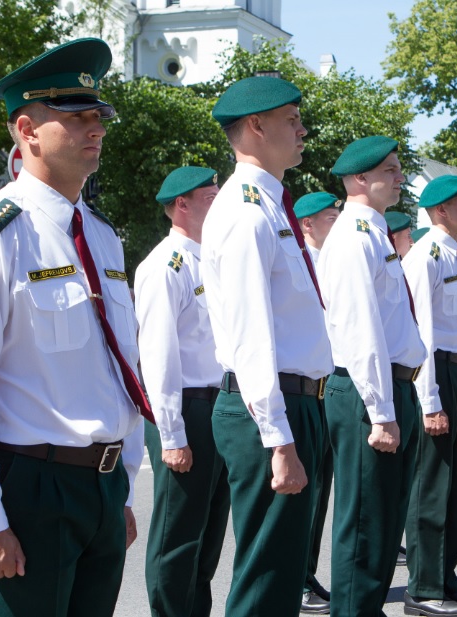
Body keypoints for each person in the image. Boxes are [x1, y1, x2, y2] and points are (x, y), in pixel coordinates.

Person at [0, 38, 148, 617]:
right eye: (75, 117)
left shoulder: (101, 235)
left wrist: (121, 485)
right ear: (27, 130)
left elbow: (116, 366)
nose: (95, 128)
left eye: (98, 115)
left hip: (101, 487)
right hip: (32, 487)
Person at [201, 76, 333, 617]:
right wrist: (279, 439)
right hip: (270, 406)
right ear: (255, 126)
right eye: (291, 120)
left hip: (295, 401)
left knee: (281, 576)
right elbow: (250, 334)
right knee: (265, 579)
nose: (302, 131)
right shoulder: (246, 210)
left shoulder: (271, 205)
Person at [319, 135, 427, 616]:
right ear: (360, 179)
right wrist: (381, 412)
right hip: (369, 394)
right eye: (390, 170)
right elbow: (359, 329)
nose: (400, 177)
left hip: (391, 387)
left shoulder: (374, 233)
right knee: (365, 524)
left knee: (384, 521)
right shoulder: (353, 237)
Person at [134, 166, 230, 617]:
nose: (219, 203)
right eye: (211, 197)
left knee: (208, 533)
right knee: (178, 535)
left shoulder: (213, 260)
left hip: (218, 406)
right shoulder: (164, 266)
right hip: (185, 409)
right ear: (181, 205)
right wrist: (171, 435)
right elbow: (158, 357)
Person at [402, 175, 457, 616]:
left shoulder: (453, 255)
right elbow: (424, 336)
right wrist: (429, 401)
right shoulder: (425, 256)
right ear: (441, 211)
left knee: (455, 489)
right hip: (434, 376)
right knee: (431, 487)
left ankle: (446, 579)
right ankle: (424, 587)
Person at [291, 190, 343, 614]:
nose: (337, 223)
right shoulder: (300, 260)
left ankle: (306, 575)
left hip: (328, 387)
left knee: (320, 491)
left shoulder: (332, 260)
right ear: (307, 223)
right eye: (331, 217)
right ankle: (296, 582)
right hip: (302, 389)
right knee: (302, 493)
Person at [295, 192, 342, 265]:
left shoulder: (337, 258)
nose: (340, 223)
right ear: (308, 224)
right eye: (332, 219)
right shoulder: (296, 262)